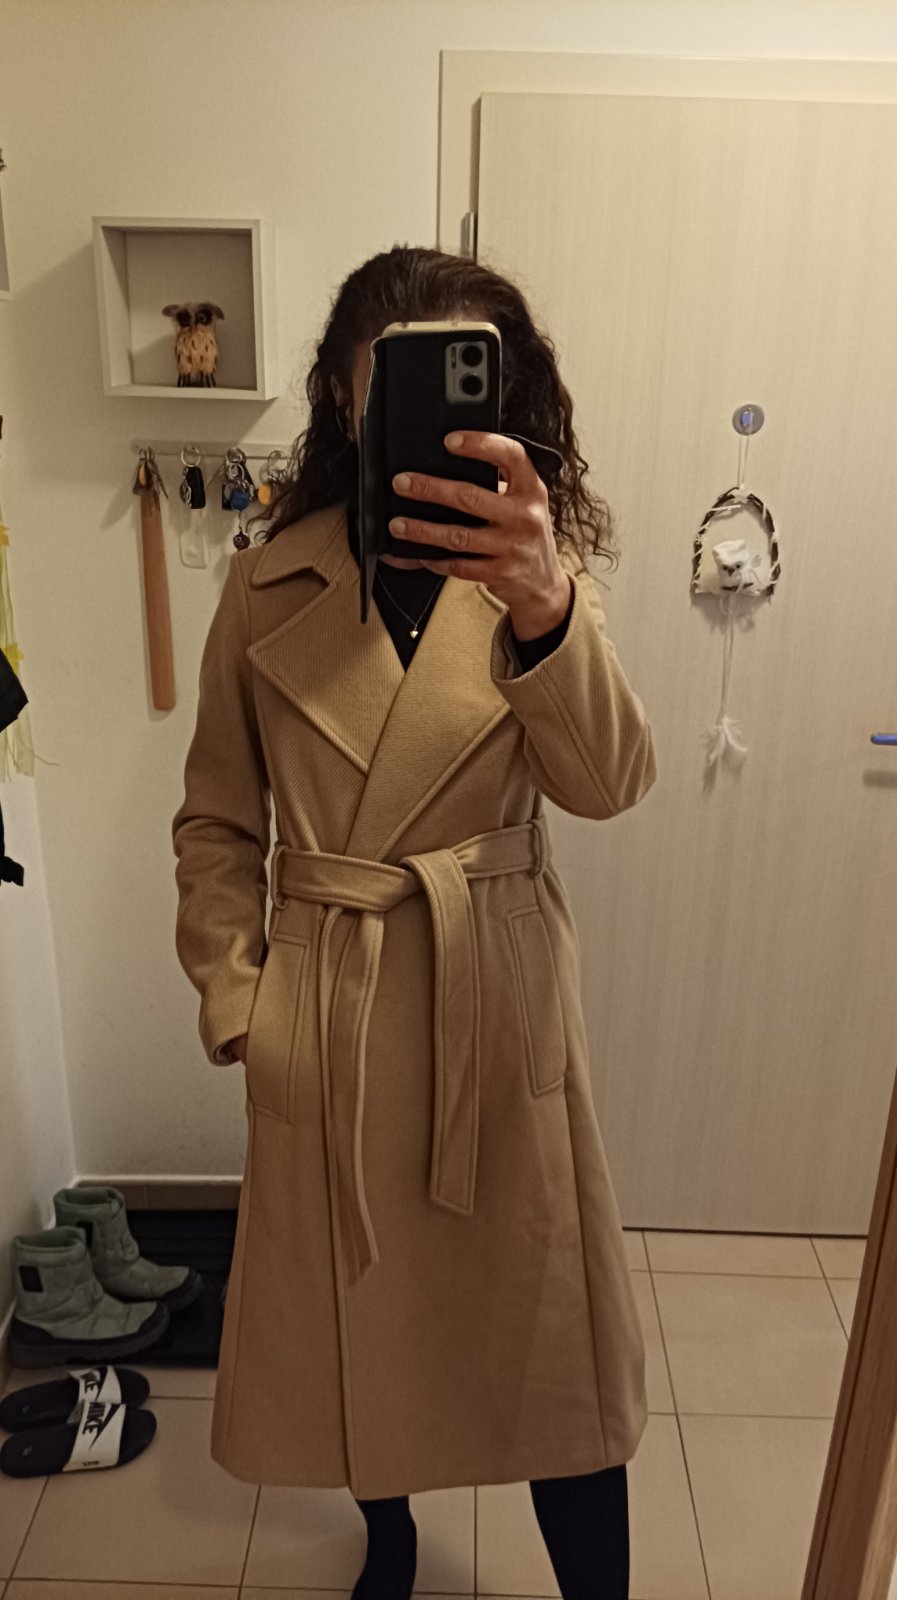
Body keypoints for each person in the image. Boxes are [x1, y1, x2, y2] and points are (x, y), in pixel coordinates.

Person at [172, 244, 657, 1600]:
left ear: (509, 396)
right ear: (343, 394)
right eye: (387, 379)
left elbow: (609, 784)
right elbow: (217, 823)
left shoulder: (540, 574)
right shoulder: (263, 587)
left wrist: (544, 606)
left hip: (494, 1006)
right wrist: (241, 1002)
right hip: (332, 1006)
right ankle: (389, 1541)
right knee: (361, 1324)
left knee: (554, 1347)